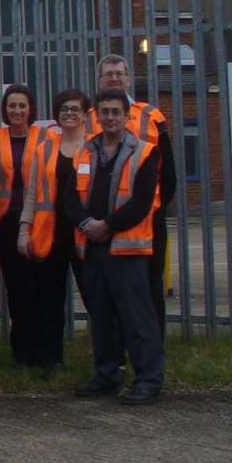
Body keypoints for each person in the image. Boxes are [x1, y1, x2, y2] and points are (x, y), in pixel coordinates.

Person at [62, 88, 164, 405]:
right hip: (92, 248)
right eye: (104, 112)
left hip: (127, 249)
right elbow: (69, 199)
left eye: (115, 112)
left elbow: (143, 202)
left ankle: (148, 379)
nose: (109, 117)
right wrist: (85, 225)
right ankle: (107, 375)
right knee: (102, 317)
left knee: (137, 317)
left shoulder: (145, 152)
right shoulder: (85, 152)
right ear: (97, 116)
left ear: (126, 116)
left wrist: (107, 225)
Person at [88, 54, 176, 337]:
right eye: (108, 74)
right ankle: (117, 352)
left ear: (128, 78)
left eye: (119, 73)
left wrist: (157, 209)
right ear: (99, 81)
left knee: (149, 286)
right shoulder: (89, 117)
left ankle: (153, 347)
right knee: (107, 289)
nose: (113, 78)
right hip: (102, 220)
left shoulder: (152, 116)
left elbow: (169, 171)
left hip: (145, 218)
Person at [17, 88, 89, 372]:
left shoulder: (94, 147)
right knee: (49, 300)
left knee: (95, 297)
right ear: (56, 116)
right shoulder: (44, 149)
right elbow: (31, 194)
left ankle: (109, 361)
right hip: (51, 234)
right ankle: (51, 359)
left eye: (74, 109)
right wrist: (24, 230)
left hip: (86, 234)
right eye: (64, 110)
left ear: (85, 114)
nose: (69, 113)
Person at [0, 85, 54, 367]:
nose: (16, 110)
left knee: (39, 286)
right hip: (3, 222)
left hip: (38, 220)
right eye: (12, 105)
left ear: (31, 109)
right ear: (5, 109)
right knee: (16, 287)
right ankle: (21, 351)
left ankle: (42, 349)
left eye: (22, 105)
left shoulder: (46, 137)